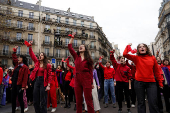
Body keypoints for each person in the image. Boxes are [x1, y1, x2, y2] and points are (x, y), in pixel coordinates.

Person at [123, 43, 163, 113]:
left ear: (146, 49)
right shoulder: (136, 58)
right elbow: (125, 54)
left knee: (153, 102)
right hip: (139, 83)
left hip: (151, 83)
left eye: (143, 46)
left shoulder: (152, 57)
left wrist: (160, 82)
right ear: (138, 50)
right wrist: (128, 46)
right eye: (140, 47)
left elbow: (156, 71)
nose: (142, 48)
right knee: (141, 103)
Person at [68, 32, 95, 113]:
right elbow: (70, 47)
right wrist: (72, 37)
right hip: (77, 79)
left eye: (82, 46)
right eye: (80, 46)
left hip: (86, 79)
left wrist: (91, 82)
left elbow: (90, 72)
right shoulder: (76, 57)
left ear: (85, 49)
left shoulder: (89, 60)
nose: (80, 47)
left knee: (88, 101)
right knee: (78, 101)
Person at [25, 41, 52, 113]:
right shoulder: (36, 62)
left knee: (43, 100)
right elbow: (32, 55)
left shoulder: (48, 65)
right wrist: (30, 47)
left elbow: (50, 75)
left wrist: (48, 85)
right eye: (40, 55)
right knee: (36, 100)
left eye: (42, 55)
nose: (40, 56)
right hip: (36, 81)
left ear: (44, 57)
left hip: (44, 82)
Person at [11, 46, 29, 113]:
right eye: (18, 57)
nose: (18, 58)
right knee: (13, 99)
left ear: (23, 59)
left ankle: (22, 111)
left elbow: (25, 78)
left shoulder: (25, 67)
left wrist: (23, 87)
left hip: (19, 85)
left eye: (20, 57)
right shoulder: (17, 65)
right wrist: (14, 51)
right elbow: (14, 58)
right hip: (14, 84)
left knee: (20, 99)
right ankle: (13, 111)